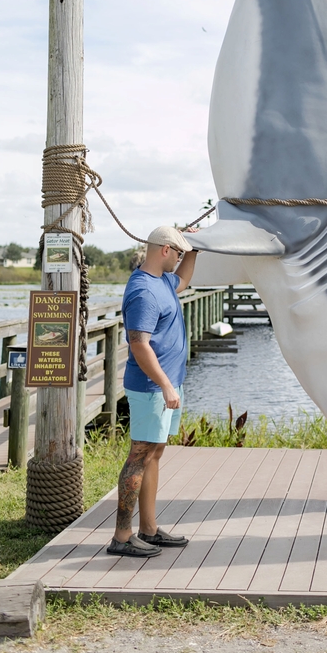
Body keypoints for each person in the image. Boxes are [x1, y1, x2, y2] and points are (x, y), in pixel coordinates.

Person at [107, 226, 198, 557]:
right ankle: (121, 536)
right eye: (178, 252)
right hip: (151, 389)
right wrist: (164, 384)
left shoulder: (163, 282)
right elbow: (138, 344)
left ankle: (148, 528)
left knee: (153, 454)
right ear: (164, 251)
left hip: (167, 386)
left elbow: (183, 279)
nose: (180, 258)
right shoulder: (144, 290)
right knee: (139, 455)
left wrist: (194, 249)